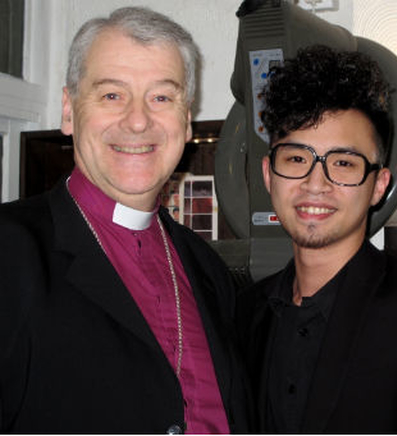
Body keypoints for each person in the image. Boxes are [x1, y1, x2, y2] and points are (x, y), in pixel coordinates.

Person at [0, 7, 250, 433]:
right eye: (112, 95)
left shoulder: (209, 271)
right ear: (68, 110)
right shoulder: (10, 250)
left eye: (162, 97)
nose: (138, 121)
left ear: (186, 121)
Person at [236, 45, 397, 433]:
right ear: (268, 174)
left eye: (343, 163)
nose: (316, 184)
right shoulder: (245, 311)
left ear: (379, 185)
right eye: (296, 159)